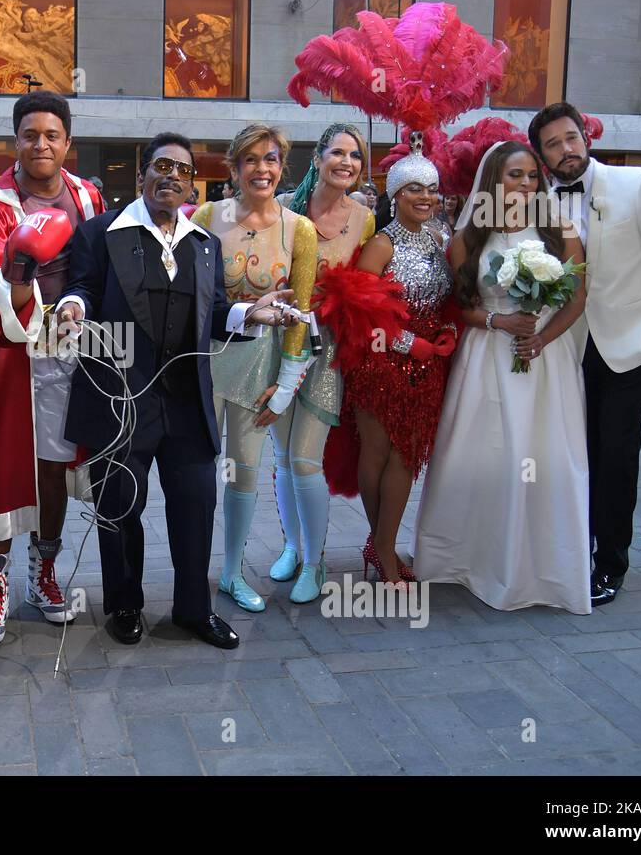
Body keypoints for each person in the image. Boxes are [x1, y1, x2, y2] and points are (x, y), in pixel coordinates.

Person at [56, 132, 298, 649]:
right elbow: (83, 287)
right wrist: (73, 307)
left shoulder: (201, 244)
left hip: (187, 401)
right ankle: (124, 605)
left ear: (192, 184)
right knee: (120, 507)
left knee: (194, 503)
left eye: (183, 170)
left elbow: (208, 314)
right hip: (120, 398)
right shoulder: (101, 233)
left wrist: (245, 313)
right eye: (161, 166)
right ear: (143, 173)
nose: (171, 176)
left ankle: (193, 609)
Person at [529, 102, 641, 605]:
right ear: (543, 157)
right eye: (554, 145)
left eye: (571, 138)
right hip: (567, 347)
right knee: (575, 454)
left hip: (630, 346)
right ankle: (572, 551)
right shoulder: (541, 203)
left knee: (617, 455)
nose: (566, 149)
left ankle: (610, 565)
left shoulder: (638, 185)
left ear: (586, 137)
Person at [414, 140, 591, 614]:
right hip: (486, 357)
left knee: (541, 454)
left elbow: (576, 296)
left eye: (533, 176)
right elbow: (462, 305)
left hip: (542, 362)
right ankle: (470, 558)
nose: (526, 184)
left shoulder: (560, 231)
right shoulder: (469, 236)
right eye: (515, 175)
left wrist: (542, 337)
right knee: (483, 451)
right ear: (493, 180)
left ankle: (539, 565)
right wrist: (498, 322)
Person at [0, 91, 104, 645]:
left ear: (67, 142)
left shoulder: (87, 195)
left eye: (52, 135)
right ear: (15, 140)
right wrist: (25, 259)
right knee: (1, 468)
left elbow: (95, 268)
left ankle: (43, 571)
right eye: (30, 134)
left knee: (55, 467)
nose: (40, 144)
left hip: (73, 351)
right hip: (13, 351)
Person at [316, 136, 457, 583]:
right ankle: (383, 548)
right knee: (379, 453)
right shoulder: (381, 244)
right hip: (381, 364)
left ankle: (381, 546)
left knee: (408, 456)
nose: (425, 198)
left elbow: (448, 299)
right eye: (415, 189)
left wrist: (448, 331)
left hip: (428, 365)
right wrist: (406, 344)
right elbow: (355, 311)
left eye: (431, 189)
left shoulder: (439, 239)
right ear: (395, 195)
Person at [192, 124, 317, 612]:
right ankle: (191, 571)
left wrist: (287, 383)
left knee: (244, 473)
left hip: (258, 371)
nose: (261, 169)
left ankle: (231, 572)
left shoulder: (298, 229)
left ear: (281, 166)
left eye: (270, 159)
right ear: (234, 168)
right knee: (199, 474)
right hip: (203, 366)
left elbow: (301, 313)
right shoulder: (205, 216)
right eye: (250, 160)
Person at [274, 123, 376, 602]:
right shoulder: (283, 209)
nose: (346, 162)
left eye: (355, 156)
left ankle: (315, 565)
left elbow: (368, 288)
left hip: (328, 350)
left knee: (303, 458)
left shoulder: (365, 219)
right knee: (280, 456)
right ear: (317, 159)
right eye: (337, 152)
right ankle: (293, 547)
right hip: (278, 343)